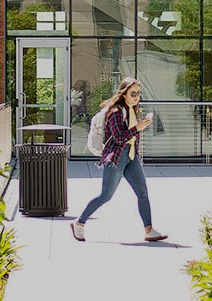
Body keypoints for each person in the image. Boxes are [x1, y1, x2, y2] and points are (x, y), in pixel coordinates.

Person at [72, 77, 168, 242]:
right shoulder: (116, 112)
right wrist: (138, 128)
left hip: (131, 155)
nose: (137, 97)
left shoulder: (132, 109)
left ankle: (149, 230)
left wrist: (137, 133)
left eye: (138, 93)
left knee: (142, 193)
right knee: (105, 196)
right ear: (124, 94)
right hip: (116, 157)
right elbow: (118, 137)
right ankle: (79, 223)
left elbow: (131, 137)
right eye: (133, 93)